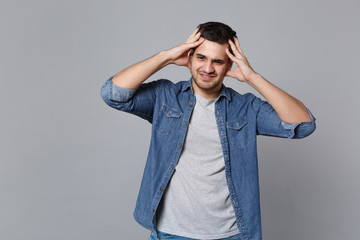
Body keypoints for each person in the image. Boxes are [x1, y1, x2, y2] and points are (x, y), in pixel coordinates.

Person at [101, 21, 316, 240]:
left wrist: (253, 77)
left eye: (217, 61)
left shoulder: (246, 108)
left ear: (229, 65)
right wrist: (165, 57)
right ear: (190, 56)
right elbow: (112, 94)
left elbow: (303, 125)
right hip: (171, 232)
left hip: (230, 234)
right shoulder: (165, 97)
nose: (207, 68)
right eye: (201, 57)